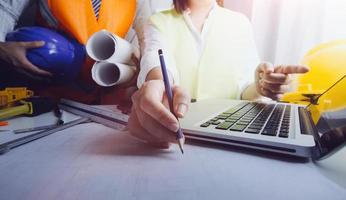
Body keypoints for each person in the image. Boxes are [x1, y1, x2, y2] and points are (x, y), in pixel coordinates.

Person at [128, 0, 309, 147]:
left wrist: (261, 86)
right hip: (179, 135)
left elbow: (245, 89)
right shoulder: (158, 21)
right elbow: (156, 58)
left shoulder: (240, 23)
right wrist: (157, 82)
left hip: (233, 137)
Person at [0, 0, 152, 104]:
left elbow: (149, 39)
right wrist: (3, 49)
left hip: (109, 102)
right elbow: (5, 9)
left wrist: (148, 74)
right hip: (49, 100)